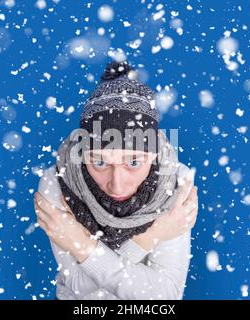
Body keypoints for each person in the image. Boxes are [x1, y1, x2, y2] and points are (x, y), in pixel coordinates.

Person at [35, 61, 198, 300]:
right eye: (100, 163)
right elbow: (80, 288)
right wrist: (151, 236)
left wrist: (83, 245)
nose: (117, 185)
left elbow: (165, 295)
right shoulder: (60, 181)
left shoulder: (175, 182)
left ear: (153, 155)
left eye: (133, 163)